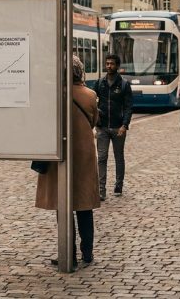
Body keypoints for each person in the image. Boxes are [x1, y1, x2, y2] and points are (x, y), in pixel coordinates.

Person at [35, 55, 99, 268]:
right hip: (83, 159)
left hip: (59, 158)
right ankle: (87, 253)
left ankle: (67, 252)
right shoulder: (90, 95)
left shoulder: (54, 96)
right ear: (80, 72)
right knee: (84, 207)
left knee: (63, 208)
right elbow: (94, 121)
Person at [95, 54, 133, 201]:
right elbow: (93, 102)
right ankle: (101, 189)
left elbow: (129, 107)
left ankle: (118, 185)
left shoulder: (124, 85)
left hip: (118, 128)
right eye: (107, 63)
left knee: (118, 157)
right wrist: (95, 118)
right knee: (102, 158)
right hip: (102, 128)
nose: (109, 66)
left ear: (117, 66)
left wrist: (125, 125)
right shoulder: (100, 83)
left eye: (111, 64)